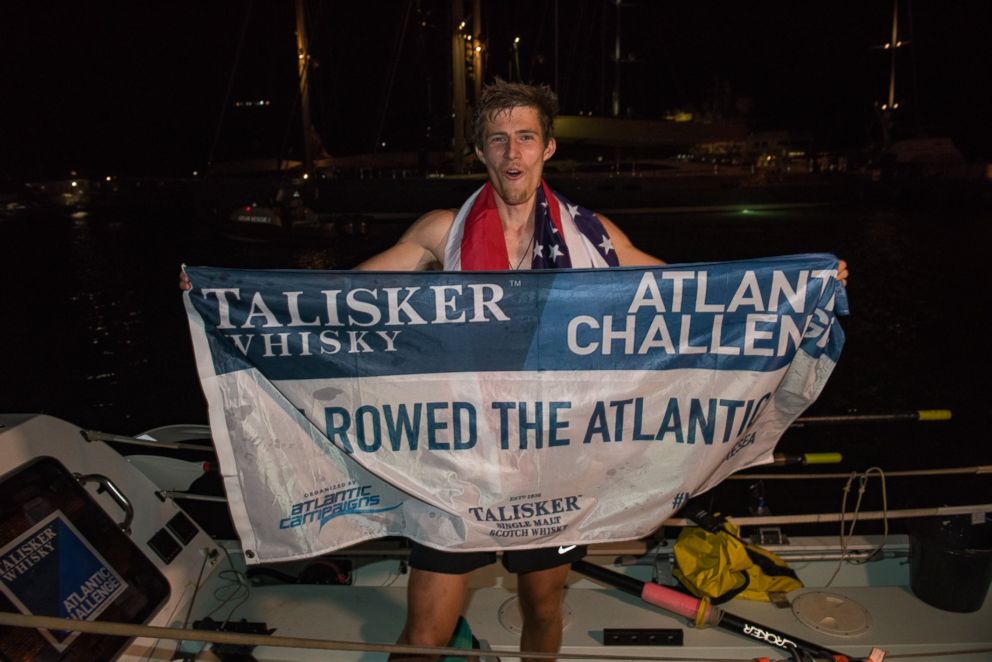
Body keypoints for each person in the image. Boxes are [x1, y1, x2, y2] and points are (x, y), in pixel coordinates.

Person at [181, 79, 848, 661]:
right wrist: (242, 307)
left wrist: (795, 288)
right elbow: (342, 305)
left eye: (525, 138)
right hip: (457, 465)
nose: (512, 153)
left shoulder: (594, 239)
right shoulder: (442, 232)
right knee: (423, 634)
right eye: (497, 140)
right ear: (480, 152)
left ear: (548, 147)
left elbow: (685, 296)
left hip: (554, 466)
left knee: (544, 611)